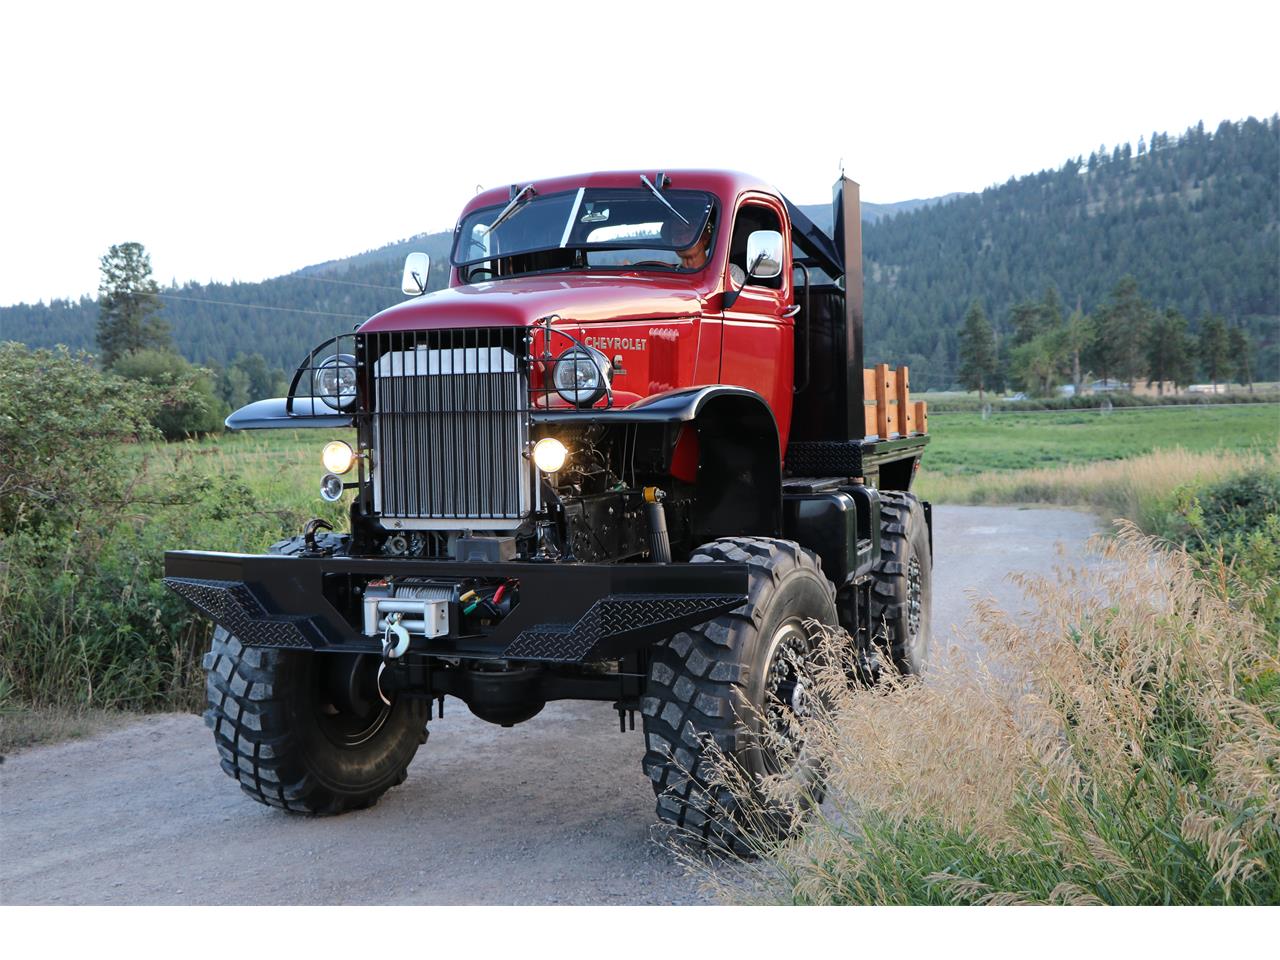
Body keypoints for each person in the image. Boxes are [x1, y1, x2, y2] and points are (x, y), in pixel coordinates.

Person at [674, 217, 746, 286]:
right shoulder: (670, 274)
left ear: (704, 239)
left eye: (688, 232)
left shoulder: (730, 271)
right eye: (677, 234)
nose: (680, 238)